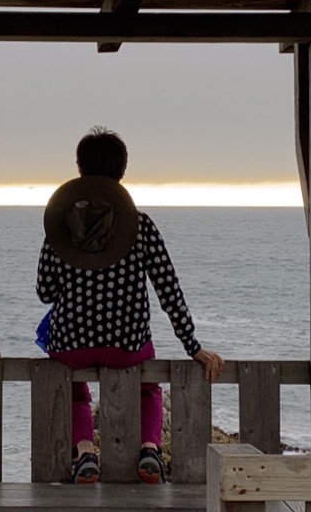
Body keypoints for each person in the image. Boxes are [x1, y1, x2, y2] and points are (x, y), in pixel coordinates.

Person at [36, 128, 222, 484]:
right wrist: (193, 347)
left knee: (75, 389)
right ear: (122, 170)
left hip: (70, 345)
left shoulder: (61, 226)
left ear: (80, 169)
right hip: (127, 345)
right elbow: (169, 289)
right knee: (148, 386)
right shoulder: (139, 225)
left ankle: (86, 452)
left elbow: (45, 291)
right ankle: (150, 448)